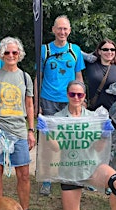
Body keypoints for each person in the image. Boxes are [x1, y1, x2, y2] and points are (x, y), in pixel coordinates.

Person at [37, 80, 116, 210]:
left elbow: (98, 148)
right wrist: (46, 134)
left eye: (79, 94)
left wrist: (103, 135)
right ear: (67, 95)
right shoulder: (58, 119)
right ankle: (70, 200)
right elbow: (56, 147)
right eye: (72, 94)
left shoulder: (93, 118)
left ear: (84, 97)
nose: (76, 97)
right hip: (70, 170)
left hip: (92, 167)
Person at [0, 36, 41, 210]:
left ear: (20, 54)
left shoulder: (25, 77)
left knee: (23, 174)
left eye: (15, 52)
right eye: (7, 52)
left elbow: (30, 105)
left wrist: (31, 130)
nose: (11, 55)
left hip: (19, 131)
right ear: (1, 54)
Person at [37, 15, 85, 196]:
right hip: (48, 99)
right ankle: (47, 179)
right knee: (49, 141)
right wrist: (37, 103)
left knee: (71, 140)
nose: (62, 32)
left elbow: (78, 75)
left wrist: (81, 98)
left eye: (65, 29)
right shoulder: (44, 50)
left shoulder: (75, 50)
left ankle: (70, 174)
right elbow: (38, 77)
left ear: (70, 30)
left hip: (70, 100)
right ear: (53, 30)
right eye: (59, 28)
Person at [84, 39, 116, 111]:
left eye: (112, 49)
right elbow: (76, 53)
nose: (109, 52)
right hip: (93, 110)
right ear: (99, 51)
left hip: (114, 112)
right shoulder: (90, 64)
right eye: (105, 49)